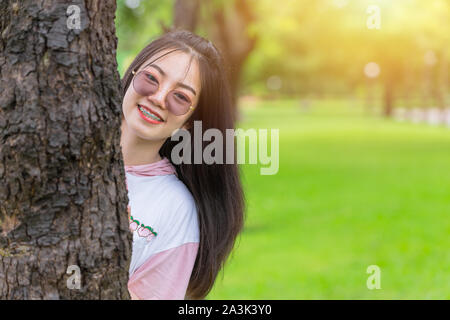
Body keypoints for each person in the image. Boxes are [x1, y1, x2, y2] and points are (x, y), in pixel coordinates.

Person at [120, 29, 245, 300]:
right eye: (151, 78)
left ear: (189, 122)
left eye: (181, 97)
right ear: (131, 75)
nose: (159, 97)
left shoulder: (176, 208)